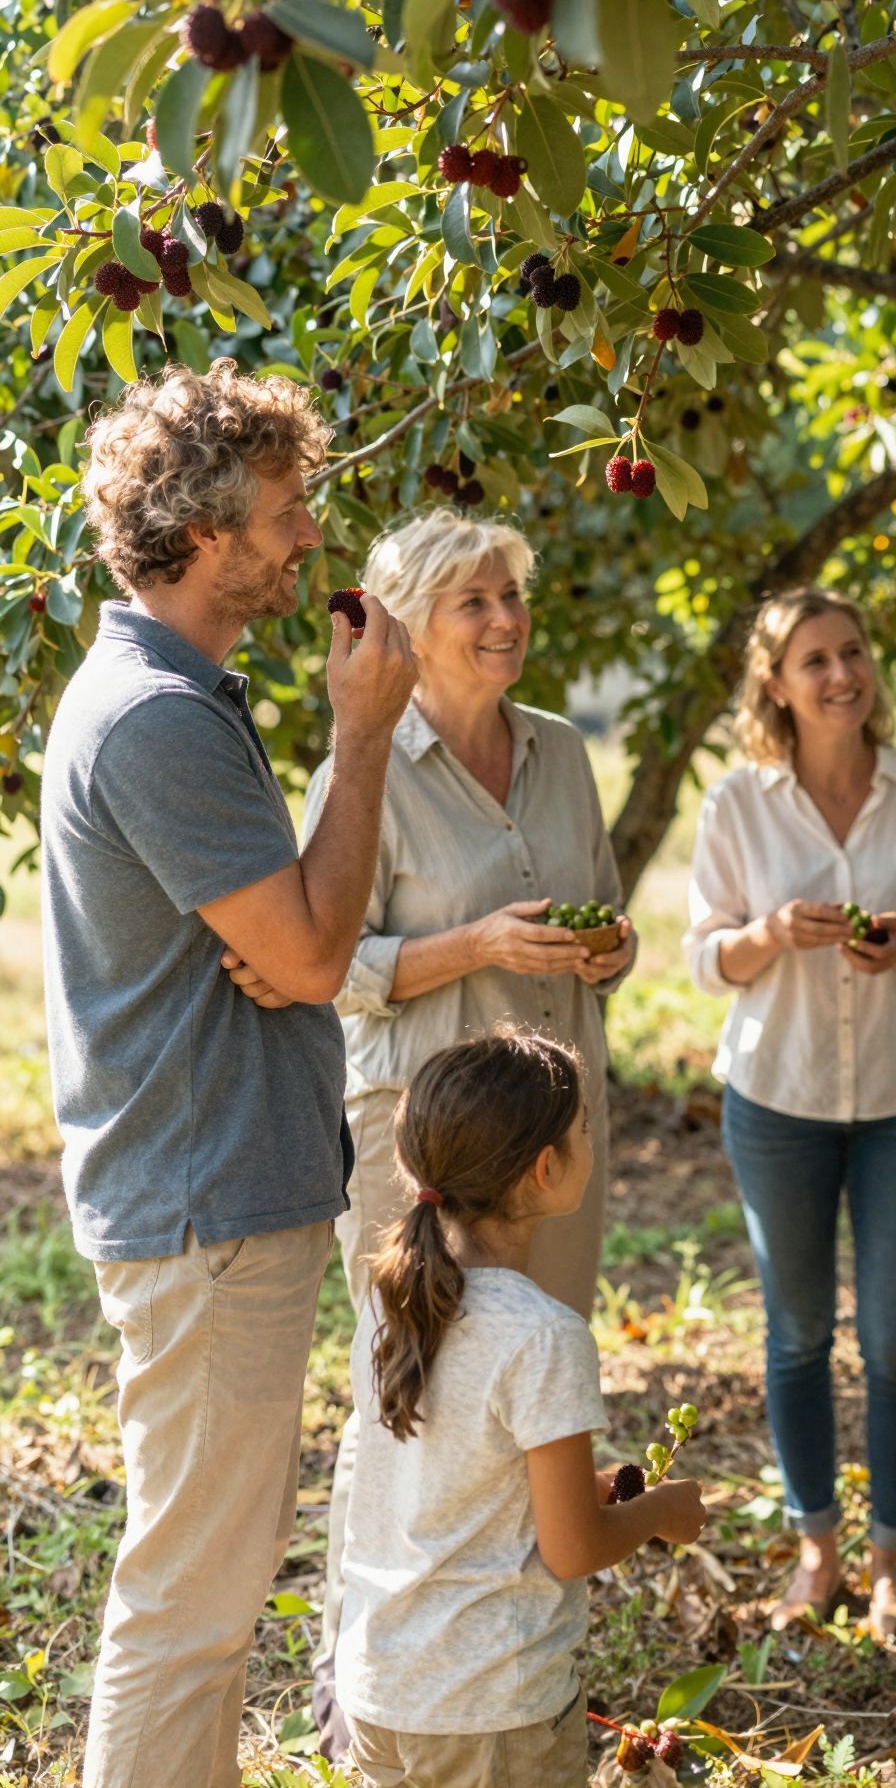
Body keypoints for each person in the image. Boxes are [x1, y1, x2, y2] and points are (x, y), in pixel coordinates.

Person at [39, 361, 417, 1788]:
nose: (307, 537)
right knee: (192, 1602)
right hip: (203, 1211)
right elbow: (317, 955)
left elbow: (288, 945)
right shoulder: (157, 720)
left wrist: (288, 945)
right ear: (203, 531)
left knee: (207, 1584)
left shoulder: (174, 698)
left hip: (212, 1193)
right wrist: (365, 732)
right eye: (284, 509)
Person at [294, 506, 635, 1748]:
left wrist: (611, 943)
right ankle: (365, 1675)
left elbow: (608, 920)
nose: (504, 619)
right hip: (421, 1141)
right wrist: (478, 943)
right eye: (473, 602)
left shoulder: (561, 750)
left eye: (511, 594)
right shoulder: (362, 768)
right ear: (414, 628)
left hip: (551, 1131)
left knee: (535, 1383)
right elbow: (327, 964)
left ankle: (513, 1662)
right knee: (409, 1396)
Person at [683, 587, 896, 1642]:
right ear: (776, 683)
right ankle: (818, 1546)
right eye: (811, 660)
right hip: (780, 1096)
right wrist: (768, 932)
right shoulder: (736, 803)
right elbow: (704, 954)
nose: (839, 674)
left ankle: (894, 1555)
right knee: (798, 1333)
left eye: (851, 652)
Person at [334, 1025, 707, 1788]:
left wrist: (578, 1488)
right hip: (490, 1709)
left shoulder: (390, 1299)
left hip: (378, 1689)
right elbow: (574, 1551)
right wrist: (660, 1514)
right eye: (582, 1129)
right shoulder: (544, 1336)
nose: (590, 1139)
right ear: (545, 1169)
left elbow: (452, 1476)